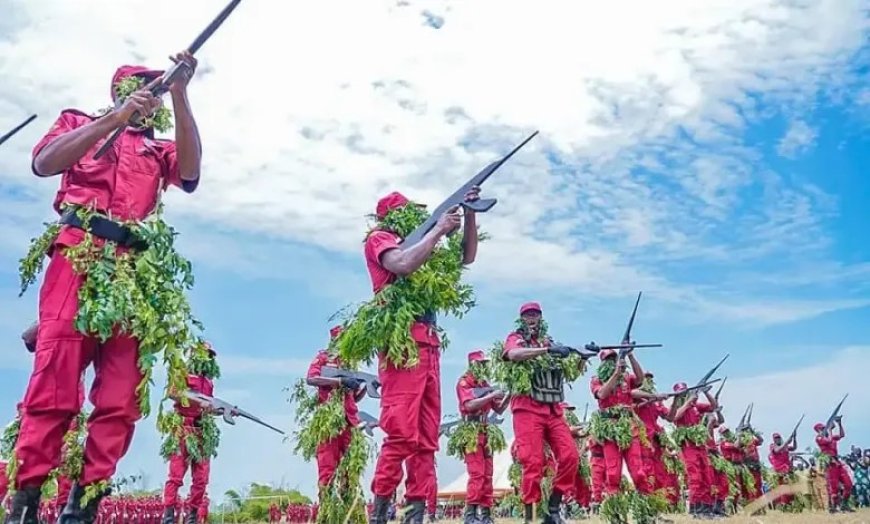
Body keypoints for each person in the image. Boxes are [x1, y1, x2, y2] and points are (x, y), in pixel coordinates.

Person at [8, 52, 202, 524]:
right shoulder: (79, 122)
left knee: (120, 396)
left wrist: (180, 93)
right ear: (123, 92)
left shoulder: (158, 150)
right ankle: (25, 503)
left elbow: (191, 173)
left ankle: (84, 506)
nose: (154, 98)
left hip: (134, 274)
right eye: (151, 89)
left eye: (160, 90)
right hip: (78, 258)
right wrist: (114, 120)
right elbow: (44, 163)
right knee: (54, 387)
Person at [364, 189, 480, 524]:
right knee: (401, 433)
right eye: (409, 211)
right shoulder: (380, 238)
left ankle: (415, 514)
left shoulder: (422, 244)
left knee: (427, 438)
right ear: (393, 215)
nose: (416, 216)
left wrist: (470, 213)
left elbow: (466, 257)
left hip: (429, 345)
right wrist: (438, 230)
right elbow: (401, 264)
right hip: (402, 344)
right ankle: (380, 514)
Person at [503, 302, 581, 523]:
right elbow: (513, 354)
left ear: (541, 317)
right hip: (527, 408)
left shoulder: (549, 341)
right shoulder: (516, 337)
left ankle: (553, 508)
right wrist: (546, 351)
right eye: (528, 315)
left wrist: (580, 356)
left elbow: (568, 370)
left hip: (552, 409)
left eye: (535, 314)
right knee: (533, 462)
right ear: (521, 318)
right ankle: (531, 517)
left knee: (570, 456)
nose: (532, 318)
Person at [162, 343, 220, 524]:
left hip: (202, 431)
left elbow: (209, 407)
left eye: (209, 355)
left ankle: (192, 517)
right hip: (182, 428)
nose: (206, 358)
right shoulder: (183, 373)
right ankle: (168, 516)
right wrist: (197, 401)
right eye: (203, 354)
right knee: (175, 475)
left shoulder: (209, 382)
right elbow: (173, 393)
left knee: (201, 479)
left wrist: (220, 411)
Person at [306, 326, 366, 491]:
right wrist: (339, 381)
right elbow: (311, 379)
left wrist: (365, 387)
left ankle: (348, 503)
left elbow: (354, 398)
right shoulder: (323, 358)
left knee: (350, 468)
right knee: (327, 467)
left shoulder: (349, 364)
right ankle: (326, 504)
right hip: (329, 422)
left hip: (349, 421)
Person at [590, 350, 654, 500]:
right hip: (609, 430)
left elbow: (640, 379)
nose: (612, 362)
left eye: (614, 359)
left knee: (638, 471)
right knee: (613, 473)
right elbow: (602, 394)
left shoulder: (626, 378)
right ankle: (615, 507)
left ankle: (646, 505)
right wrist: (616, 374)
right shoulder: (596, 380)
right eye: (608, 360)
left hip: (629, 428)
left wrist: (631, 355)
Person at [455, 350, 508, 524]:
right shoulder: (464, 382)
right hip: (471, 432)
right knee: (477, 473)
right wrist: (491, 394)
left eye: (484, 363)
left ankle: (485, 515)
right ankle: (470, 515)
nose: (483, 366)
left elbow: (498, 408)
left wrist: (510, 394)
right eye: (480, 363)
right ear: (472, 364)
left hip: (486, 431)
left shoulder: (484, 384)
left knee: (488, 474)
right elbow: (470, 405)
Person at [668, 382, 718, 517]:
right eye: (681, 392)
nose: (684, 394)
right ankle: (695, 508)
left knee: (706, 476)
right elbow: (674, 417)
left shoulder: (696, 406)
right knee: (695, 477)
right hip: (688, 446)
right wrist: (688, 402)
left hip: (700, 445)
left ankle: (707, 508)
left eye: (686, 391)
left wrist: (706, 392)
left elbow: (714, 406)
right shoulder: (677, 407)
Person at [632, 371, 679, 506]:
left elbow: (670, 417)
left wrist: (675, 399)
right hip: (642, 438)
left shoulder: (656, 403)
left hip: (656, 441)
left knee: (660, 473)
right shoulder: (636, 397)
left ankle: (658, 505)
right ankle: (646, 504)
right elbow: (632, 396)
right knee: (646, 472)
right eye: (646, 379)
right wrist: (652, 398)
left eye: (651, 379)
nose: (649, 382)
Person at [814, 419, 853, 513]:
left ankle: (844, 505)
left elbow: (842, 435)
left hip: (837, 462)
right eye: (822, 429)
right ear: (818, 431)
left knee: (848, 484)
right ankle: (833, 507)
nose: (825, 429)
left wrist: (839, 423)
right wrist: (830, 430)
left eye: (824, 428)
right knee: (834, 488)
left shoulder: (831, 437)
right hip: (830, 465)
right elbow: (828, 441)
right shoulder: (819, 438)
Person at [768, 431, 797, 507]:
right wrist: (787, 442)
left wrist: (794, 438)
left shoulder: (785, 446)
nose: (777, 439)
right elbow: (777, 450)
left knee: (790, 487)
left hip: (788, 469)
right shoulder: (772, 446)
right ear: (774, 440)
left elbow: (794, 448)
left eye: (778, 438)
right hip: (780, 470)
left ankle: (791, 503)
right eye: (776, 438)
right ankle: (784, 504)